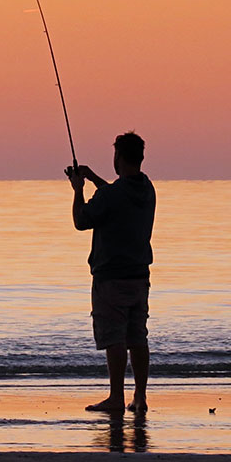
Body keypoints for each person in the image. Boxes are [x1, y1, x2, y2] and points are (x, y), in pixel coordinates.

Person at [66, 132, 156, 413]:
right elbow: (117, 197)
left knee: (115, 338)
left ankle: (116, 396)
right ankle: (139, 397)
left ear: (118, 157)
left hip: (111, 279)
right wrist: (93, 178)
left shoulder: (112, 195)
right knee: (138, 337)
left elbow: (81, 220)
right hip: (139, 277)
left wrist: (78, 189)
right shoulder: (146, 189)